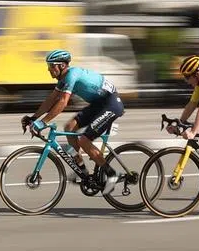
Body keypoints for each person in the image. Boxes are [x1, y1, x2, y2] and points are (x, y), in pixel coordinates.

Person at [22, 49, 124, 195]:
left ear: (62, 66)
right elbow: (51, 100)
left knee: (84, 140)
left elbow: (63, 102)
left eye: (51, 66)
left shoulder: (72, 75)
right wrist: (33, 118)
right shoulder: (63, 79)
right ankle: (82, 171)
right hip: (99, 105)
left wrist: (43, 123)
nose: (49, 69)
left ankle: (112, 174)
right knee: (69, 127)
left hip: (111, 104)